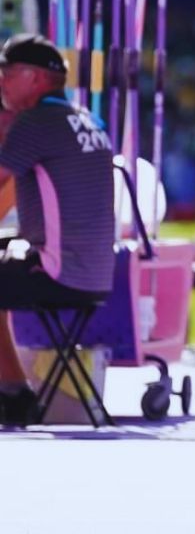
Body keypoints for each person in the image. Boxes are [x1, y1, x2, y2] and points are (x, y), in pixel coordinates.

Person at [0, 34, 115, 425]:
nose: (1, 81)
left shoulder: (34, 123)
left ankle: (15, 394)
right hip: (97, 273)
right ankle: (13, 392)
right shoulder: (88, 118)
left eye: (7, 72)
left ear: (34, 78)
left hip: (59, 272)